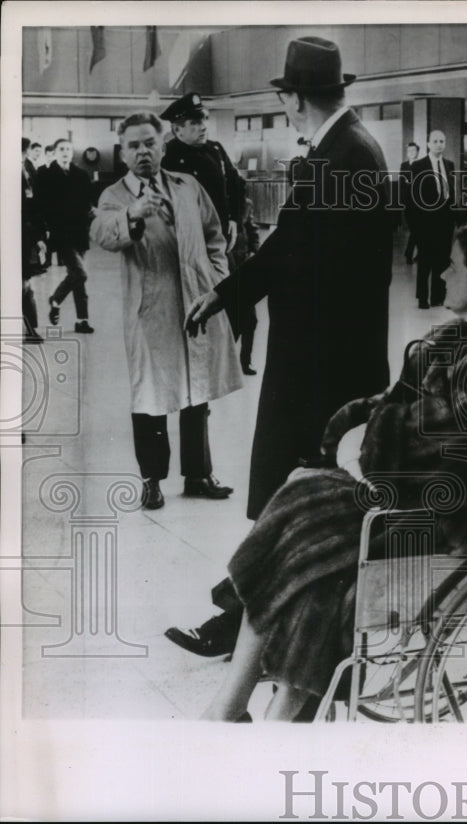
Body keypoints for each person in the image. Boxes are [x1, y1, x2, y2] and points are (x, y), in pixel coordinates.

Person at [201, 221, 467, 721]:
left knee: (303, 529)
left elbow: (431, 449)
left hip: (463, 525)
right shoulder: (465, 342)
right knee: (302, 522)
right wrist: (364, 424)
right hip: (418, 506)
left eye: (453, 266)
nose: (440, 273)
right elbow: (404, 426)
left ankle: (247, 710)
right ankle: (249, 710)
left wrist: (372, 438)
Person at [172, 36, 393, 656]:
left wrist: (232, 293)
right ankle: (245, 622)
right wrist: (228, 293)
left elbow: (312, 261)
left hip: (321, 368)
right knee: (285, 501)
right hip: (322, 360)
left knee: (288, 501)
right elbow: (293, 248)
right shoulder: (345, 149)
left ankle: (246, 626)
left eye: (286, 97)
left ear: (295, 100)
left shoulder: (343, 157)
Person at [91, 112, 242, 509]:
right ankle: (152, 480)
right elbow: (102, 233)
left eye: (149, 143)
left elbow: (214, 233)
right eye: (133, 146)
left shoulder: (187, 185)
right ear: (122, 153)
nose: (142, 151)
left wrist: (217, 282)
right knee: (150, 397)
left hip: (195, 301)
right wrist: (133, 216)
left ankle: (198, 474)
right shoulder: (115, 196)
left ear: (162, 145)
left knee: (197, 390)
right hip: (150, 310)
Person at [160, 92, 244, 257]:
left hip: (223, 234)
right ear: (178, 129)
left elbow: (237, 184)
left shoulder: (215, 150)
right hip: (187, 240)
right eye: (195, 123)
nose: (204, 126)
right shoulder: (168, 156)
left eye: (205, 120)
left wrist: (235, 219)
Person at [37, 138, 96, 334]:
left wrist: (91, 215)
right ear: (54, 152)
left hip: (80, 232)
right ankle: (56, 298)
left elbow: (89, 201)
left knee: (76, 277)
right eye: (61, 149)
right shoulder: (45, 174)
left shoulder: (80, 175)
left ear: (72, 153)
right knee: (80, 274)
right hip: (60, 234)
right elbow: (41, 206)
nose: (65, 152)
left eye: (68, 149)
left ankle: (82, 320)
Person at [409, 130, 458, 309]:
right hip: (425, 221)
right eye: (435, 141)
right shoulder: (418, 166)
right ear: (428, 144)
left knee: (443, 260)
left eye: (442, 141)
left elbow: (451, 193)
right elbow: (413, 198)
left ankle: (439, 297)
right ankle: (423, 298)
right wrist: (415, 225)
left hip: (445, 220)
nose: (439, 144)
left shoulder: (449, 165)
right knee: (425, 260)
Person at [228, 195, 262, 375]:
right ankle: (226, 363)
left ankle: (243, 362)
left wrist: (257, 252)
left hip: (243, 266)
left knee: (249, 320)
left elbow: (252, 228)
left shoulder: (246, 203)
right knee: (232, 322)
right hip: (225, 270)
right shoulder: (216, 203)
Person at [22, 137, 45, 344]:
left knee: (26, 286)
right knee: (25, 288)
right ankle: (30, 330)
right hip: (21, 236)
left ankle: (30, 330)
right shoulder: (21, 171)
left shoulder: (26, 170)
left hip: (26, 236)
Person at [400, 141, 420, 265]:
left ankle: (409, 253)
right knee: (415, 228)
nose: (411, 153)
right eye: (409, 151)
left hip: (418, 202)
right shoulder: (404, 165)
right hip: (408, 201)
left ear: (417, 152)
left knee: (416, 228)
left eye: (413, 151)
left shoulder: (421, 165)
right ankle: (416, 253)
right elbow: (402, 183)